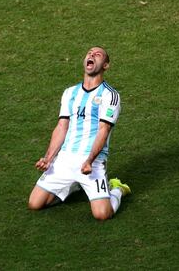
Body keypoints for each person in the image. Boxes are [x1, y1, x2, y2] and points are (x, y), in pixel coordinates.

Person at [28, 46, 131, 220]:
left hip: (92, 163)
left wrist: (89, 161)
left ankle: (117, 189)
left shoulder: (110, 95)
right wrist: (48, 158)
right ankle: (74, 184)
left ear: (105, 65)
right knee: (35, 204)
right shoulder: (70, 93)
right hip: (65, 160)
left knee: (102, 214)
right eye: (89, 53)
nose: (92, 55)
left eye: (98, 55)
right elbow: (62, 127)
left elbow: (103, 130)